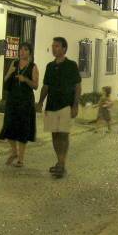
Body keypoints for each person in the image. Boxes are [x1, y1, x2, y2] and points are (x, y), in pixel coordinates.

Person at [37, 37, 81, 178]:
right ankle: (59, 162)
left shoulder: (71, 65)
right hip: (52, 105)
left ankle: (61, 164)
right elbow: (46, 86)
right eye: (53, 46)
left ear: (64, 49)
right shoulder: (50, 66)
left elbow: (77, 86)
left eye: (56, 46)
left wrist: (75, 105)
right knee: (54, 135)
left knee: (63, 134)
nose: (54, 48)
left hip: (65, 105)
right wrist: (40, 102)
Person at [0, 43, 39, 168]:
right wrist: (9, 72)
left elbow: (35, 86)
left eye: (25, 50)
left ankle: (21, 159)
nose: (22, 52)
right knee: (9, 126)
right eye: (21, 49)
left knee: (23, 129)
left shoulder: (33, 67)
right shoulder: (14, 64)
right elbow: (5, 81)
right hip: (13, 99)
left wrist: (25, 80)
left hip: (25, 101)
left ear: (30, 53)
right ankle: (14, 151)